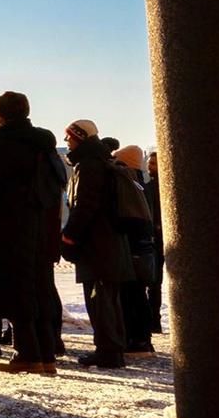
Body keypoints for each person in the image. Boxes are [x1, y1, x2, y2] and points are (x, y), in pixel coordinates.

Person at [0, 92, 62, 375]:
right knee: (39, 289)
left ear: (1, 115)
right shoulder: (44, 148)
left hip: (9, 229)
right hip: (40, 228)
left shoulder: (7, 146)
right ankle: (46, 355)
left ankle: (26, 354)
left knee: (14, 290)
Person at [61, 120, 131, 369]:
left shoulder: (88, 166)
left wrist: (69, 236)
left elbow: (85, 206)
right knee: (108, 298)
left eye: (69, 136)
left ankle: (108, 351)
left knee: (99, 298)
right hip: (108, 242)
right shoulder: (100, 162)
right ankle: (112, 348)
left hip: (97, 244)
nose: (66, 141)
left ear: (79, 137)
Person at [110, 144, 156, 356]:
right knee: (138, 294)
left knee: (132, 295)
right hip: (144, 248)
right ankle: (143, 339)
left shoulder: (128, 184)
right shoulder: (141, 185)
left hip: (133, 248)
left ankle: (137, 340)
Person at [143, 150, 165, 338]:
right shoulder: (148, 188)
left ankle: (155, 322)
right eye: (149, 163)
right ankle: (154, 322)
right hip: (156, 240)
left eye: (154, 164)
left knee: (154, 282)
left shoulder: (150, 189)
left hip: (158, 240)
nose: (150, 167)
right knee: (154, 283)